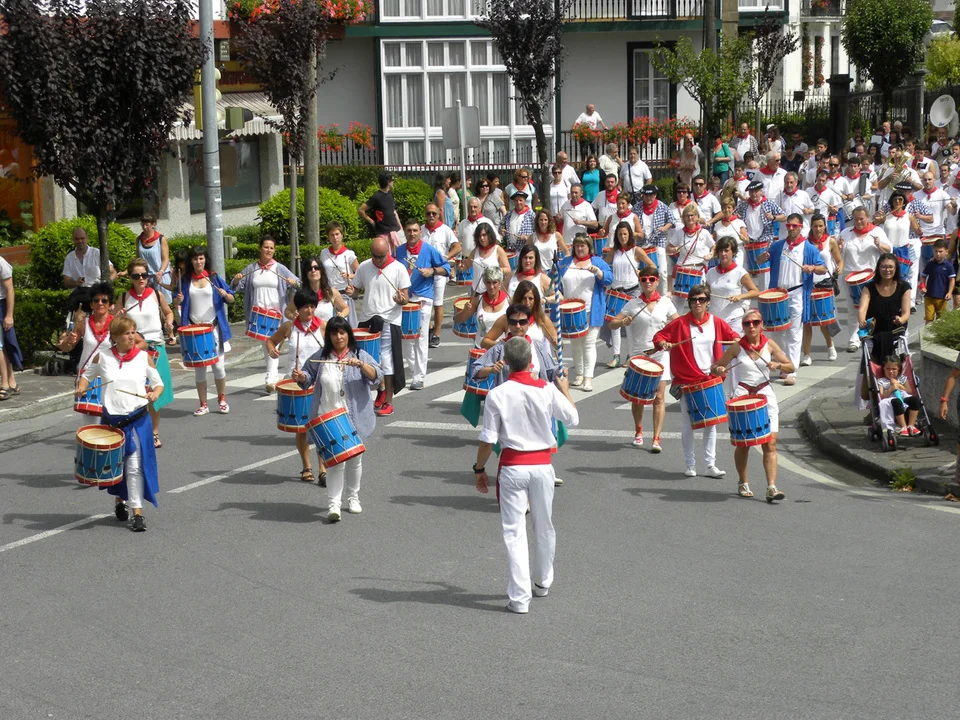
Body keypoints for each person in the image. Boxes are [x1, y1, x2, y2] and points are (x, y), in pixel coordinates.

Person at [473, 336, 579, 614]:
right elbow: (573, 418)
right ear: (531, 361)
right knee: (544, 525)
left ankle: (520, 598)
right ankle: (542, 581)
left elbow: (488, 440)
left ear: (506, 363)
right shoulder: (546, 389)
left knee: (514, 532)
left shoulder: (497, 394)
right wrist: (565, 389)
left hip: (512, 466)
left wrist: (479, 468)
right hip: (543, 466)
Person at [76, 316, 164, 532]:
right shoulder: (103, 357)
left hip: (136, 420)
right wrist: (82, 387)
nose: (132, 337)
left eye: (133, 332)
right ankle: (120, 500)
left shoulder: (143, 357)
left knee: (134, 467)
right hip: (112, 422)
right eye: (127, 333)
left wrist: (154, 394)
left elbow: (158, 384)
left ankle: (137, 513)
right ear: (115, 337)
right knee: (117, 466)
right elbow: (87, 375)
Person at [293, 317, 382, 522]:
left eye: (342, 332)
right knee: (333, 463)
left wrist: (361, 365)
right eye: (334, 333)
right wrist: (301, 377)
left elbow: (377, 376)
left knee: (355, 460)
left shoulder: (360, 354)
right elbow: (307, 376)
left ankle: (353, 497)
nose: (338, 337)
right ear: (329, 336)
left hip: (353, 417)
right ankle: (334, 505)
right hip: (328, 415)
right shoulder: (321, 356)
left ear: (348, 334)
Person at [653, 284, 738, 478]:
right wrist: (663, 343)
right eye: (693, 300)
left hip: (710, 379)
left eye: (701, 299)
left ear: (708, 302)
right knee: (688, 424)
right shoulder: (680, 323)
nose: (697, 303)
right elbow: (659, 336)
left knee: (711, 424)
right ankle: (690, 464)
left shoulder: (717, 323)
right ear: (689, 303)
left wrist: (736, 340)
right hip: (687, 380)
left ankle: (710, 465)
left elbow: (733, 337)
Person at [711, 308, 793, 502]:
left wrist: (778, 366)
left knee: (770, 443)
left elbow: (790, 366)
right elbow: (716, 367)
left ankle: (771, 487)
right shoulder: (737, 347)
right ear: (743, 327)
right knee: (744, 444)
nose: (751, 326)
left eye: (755, 322)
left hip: (765, 395)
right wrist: (719, 369)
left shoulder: (770, 345)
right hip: (743, 395)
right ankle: (743, 481)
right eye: (747, 323)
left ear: (762, 325)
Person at [609, 265, 679, 451]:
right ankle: (639, 430)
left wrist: (670, 341)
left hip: (660, 353)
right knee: (637, 397)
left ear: (657, 281)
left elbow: (678, 324)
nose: (648, 282)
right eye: (644, 279)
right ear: (640, 282)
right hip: (639, 355)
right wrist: (622, 321)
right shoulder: (632, 304)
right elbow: (612, 324)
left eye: (651, 279)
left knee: (659, 397)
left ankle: (656, 438)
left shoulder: (665, 303)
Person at [759, 214, 827, 385]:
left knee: (794, 333)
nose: (791, 229)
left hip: (797, 293)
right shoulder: (778, 246)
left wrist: (812, 267)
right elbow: (759, 261)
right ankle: (784, 364)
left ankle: (792, 370)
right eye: (788, 226)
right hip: (778, 294)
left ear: (800, 227)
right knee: (777, 332)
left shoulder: (808, 248)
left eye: (794, 226)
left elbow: (823, 268)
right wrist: (763, 257)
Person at [268, 288, 326, 484]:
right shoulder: (289, 327)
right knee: (301, 428)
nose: (309, 310)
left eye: (312, 306)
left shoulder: (323, 327)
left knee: (319, 426)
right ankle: (306, 466)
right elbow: (271, 341)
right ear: (298, 309)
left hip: (318, 382)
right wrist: (272, 350)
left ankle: (323, 468)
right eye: (305, 307)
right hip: (295, 384)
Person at [117, 258, 176, 447]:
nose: (141, 279)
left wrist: (169, 323)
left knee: (154, 393)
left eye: (144, 275)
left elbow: (168, 312)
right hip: (134, 349)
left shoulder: (157, 295)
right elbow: (115, 323)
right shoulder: (124, 298)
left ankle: (154, 433)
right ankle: (133, 432)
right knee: (135, 391)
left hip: (155, 347)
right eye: (136, 276)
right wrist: (119, 315)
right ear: (130, 277)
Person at [351, 236, 410, 417]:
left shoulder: (399, 268)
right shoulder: (364, 267)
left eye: (381, 256)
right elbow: (355, 291)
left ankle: (389, 401)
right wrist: (351, 292)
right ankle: (377, 391)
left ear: (388, 252)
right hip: (367, 318)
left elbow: (405, 297)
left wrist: (401, 299)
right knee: (365, 360)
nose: (377, 260)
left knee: (387, 361)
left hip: (389, 320)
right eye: (375, 256)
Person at [231, 236, 299, 391]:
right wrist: (236, 280)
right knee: (266, 345)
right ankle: (272, 377)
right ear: (260, 248)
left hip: (277, 314)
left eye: (271, 248)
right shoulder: (251, 269)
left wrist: (293, 283)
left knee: (272, 343)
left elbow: (298, 283)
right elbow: (237, 287)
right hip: (258, 313)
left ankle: (270, 378)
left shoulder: (280, 268)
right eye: (266, 247)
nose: (268, 250)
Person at [179, 246, 235, 415]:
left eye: (201, 258)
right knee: (199, 370)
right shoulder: (185, 280)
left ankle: (222, 399)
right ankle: (203, 404)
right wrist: (178, 299)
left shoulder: (214, 278)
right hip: (194, 330)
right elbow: (177, 300)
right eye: (195, 258)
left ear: (205, 260)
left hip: (214, 329)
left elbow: (231, 298)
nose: (198, 261)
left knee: (219, 368)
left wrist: (225, 294)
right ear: (191, 261)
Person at [396, 218, 451, 389]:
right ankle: (414, 370)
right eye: (409, 231)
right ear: (405, 232)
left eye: (415, 230)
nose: (412, 234)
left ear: (420, 232)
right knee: (406, 340)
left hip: (423, 299)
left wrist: (432, 270)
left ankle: (419, 376)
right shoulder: (399, 251)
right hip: (405, 300)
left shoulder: (429, 250)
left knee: (420, 338)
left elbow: (447, 268)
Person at [560, 233, 613, 391]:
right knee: (576, 345)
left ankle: (588, 378)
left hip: (591, 309)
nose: (579, 248)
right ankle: (579, 375)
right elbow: (553, 279)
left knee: (589, 344)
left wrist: (598, 272)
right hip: (571, 312)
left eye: (582, 245)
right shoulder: (566, 262)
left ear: (589, 247)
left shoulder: (597, 262)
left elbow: (609, 278)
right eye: (577, 246)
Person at [601, 221, 656, 367]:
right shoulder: (614, 251)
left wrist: (641, 272)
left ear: (630, 235)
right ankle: (616, 356)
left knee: (631, 325)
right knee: (616, 324)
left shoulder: (636, 250)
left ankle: (630, 355)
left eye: (625, 234)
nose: (622, 237)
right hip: (616, 290)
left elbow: (652, 266)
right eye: (620, 234)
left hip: (633, 290)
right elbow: (604, 266)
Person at [61, 227, 117, 370]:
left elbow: (113, 272)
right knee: (74, 321)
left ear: (87, 238)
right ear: (73, 240)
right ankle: (73, 348)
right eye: (77, 239)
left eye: (82, 238)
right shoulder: (70, 257)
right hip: (79, 293)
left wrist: (104, 286)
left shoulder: (97, 253)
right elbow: (66, 281)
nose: (80, 241)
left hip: (96, 293)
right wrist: (75, 282)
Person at [840, 207, 892, 352]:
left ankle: (874, 336)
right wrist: (839, 248)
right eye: (856, 219)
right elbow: (838, 255)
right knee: (853, 309)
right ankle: (854, 340)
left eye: (861, 219)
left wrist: (879, 245)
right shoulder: (845, 233)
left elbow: (889, 250)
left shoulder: (877, 231)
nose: (858, 222)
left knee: (874, 307)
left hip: (871, 276)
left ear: (867, 218)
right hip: (850, 276)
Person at [472, 304, 559, 387]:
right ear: (508, 324)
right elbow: (476, 370)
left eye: (522, 322)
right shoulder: (500, 348)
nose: (517, 326)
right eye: (513, 322)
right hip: (509, 395)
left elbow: (551, 371)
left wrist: (560, 371)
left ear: (528, 323)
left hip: (535, 394)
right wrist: (491, 370)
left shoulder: (537, 346)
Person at [57, 281, 115, 395]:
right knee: (85, 407)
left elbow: (138, 343)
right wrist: (66, 342)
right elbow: (67, 347)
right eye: (96, 300)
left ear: (110, 305)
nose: (100, 303)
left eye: (104, 301)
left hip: (109, 374)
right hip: (86, 375)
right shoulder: (84, 323)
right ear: (91, 304)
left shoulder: (116, 324)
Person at [802, 214, 843, 364]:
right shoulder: (805, 243)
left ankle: (830, 346)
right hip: (809, 283)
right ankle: (806, 355)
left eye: (820, 226)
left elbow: (839, 260)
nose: (818, 229)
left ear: (825, 226)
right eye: (815, 226)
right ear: (811, 227)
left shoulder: (830, 241)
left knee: (824, 320)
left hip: (825, 283)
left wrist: (839, 268)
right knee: (806, 321)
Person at [420, 203, 461, 348]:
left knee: (437, 304)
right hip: (423, 273)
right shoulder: (420, 230)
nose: (431, 216)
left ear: (438, 214)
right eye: (428, 213)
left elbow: (457, 247)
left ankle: (436, 334)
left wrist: (446, 257)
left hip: (438, 273)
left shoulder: (445, 230)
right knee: (423, 303)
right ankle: (428, 328)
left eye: (434, 213)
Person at [858, 253, 911, 362]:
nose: (887, 270)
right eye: (884, 267)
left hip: (895, 329)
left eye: (891, 267)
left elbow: (906, 312)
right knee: (868, 363)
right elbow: (862, 309)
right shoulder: (869, 287)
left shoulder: (904, 287)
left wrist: (901, 319)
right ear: (878, 268)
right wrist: (862, 321)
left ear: (896, 268)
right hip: (874, 329)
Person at [736, 180, 786, 292]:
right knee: (745, 273)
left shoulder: (769, 203)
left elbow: (784, 216)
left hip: (765, 242)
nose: (753, 194)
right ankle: (746, 299)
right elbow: (734, 216)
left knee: (765, 275)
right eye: (751, 192)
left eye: (756, 191)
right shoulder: (744, 205)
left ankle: (764, 297)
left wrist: (774, 217)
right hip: (749, 242)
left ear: (761, 191)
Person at [705, 236, 759, 336]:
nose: (723, 254)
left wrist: (740, 296)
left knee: (734, 345)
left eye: (726, 251)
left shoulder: (740, 272)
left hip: (734, 319)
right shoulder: (711, 272)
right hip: (715, 319)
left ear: (733, 252)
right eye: (721, 251)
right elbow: (706, 294)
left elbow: (755, 292)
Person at [480, 279, 558, 349]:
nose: (527, 302)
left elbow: (558, 346)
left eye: (530, 299)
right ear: (518, 299)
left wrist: (556, 343)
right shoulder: (506, 319)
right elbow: (484, 342)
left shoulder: (542, 319)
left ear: (536, 300)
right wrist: (503, 345)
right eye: (524, 298)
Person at [455, 265, 510, 349]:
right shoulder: (478, 299)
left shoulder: (508, 301)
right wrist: (465, 311)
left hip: (502, 349)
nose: (491, 286)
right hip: (480, 348)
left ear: (500, 282)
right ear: (484, 282)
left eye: (494, 282)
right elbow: (457, 319)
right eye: (488, 282)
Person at [634, 184, 675, 295]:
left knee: (662, 272)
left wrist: (665, 228)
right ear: (643, 195)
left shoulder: (662, 206)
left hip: (658, 243)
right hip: (641, 244)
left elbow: (672, 220)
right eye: (646, 195)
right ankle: (643, 296)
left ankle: (663, 296)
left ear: (655, 195)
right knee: (642, 274)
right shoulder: (637, 208)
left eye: (651, 195)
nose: (648, 198)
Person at [668, 204, 716, 298]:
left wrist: (710, 254)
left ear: (697, 217)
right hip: (682, 269)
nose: (690, 218)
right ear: (684, 218)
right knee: (677, 302)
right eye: (687, 215)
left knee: (699, 300)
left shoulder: (704, 233)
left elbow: (714, 246)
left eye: (692, 215)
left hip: (699, 269)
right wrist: (673, 249)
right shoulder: (679, 233)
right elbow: (668, 247)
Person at [319, 221, 359, 325]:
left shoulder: (349, 254)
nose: (335, 237)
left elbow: (360, 273)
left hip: (344, 295)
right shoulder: (324, 253)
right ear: (328, 237)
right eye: (332, 235)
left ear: (342, 235)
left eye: (337, 234)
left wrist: (349, 276)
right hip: (329, 295)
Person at [877, 354, 922, 437]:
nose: (891, 371)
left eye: (894, 369)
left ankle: (911, 425)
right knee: (897, 402)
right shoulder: (881, 381)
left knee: (915, 400)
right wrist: (891, 388)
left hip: (903, 396)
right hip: (890, 399)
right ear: (884, 369)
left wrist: (899, 385)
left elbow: (910, 391)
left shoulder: (902, 378)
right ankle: (903, 426)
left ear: (899, 370)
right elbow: (881, 396)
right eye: (888, 369)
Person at [358, 171, 403, 254]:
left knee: (399, 254)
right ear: (388, 181)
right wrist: (371, 221)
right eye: (392, 180)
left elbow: (393, 211)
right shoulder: (376, 197)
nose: (393, 182)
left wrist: (400, 226)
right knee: (385, 255)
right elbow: (361, 210)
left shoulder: (390, 194)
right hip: (383, 232)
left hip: (394, 230)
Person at [134, 212, 172, 306]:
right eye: (143, 224)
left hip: (160, 277)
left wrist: (161, 271)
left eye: (147, 225)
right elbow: (138, 259)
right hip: (146, 278)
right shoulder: (139, 240)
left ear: (153, 224)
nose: (144, 227)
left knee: (164, 305)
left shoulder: (161, 239)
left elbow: (165, 259)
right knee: (150, 304)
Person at [464, 222, 511, 296]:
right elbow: (467, 265)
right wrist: (460, 266)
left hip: (492, 292)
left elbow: (508, 269)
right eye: (479, 236)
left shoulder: (498, 250)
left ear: (490, 235)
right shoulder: (475, 250)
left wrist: (494, 270)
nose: (482, 238)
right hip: (476, 292)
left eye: (484, 235)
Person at [456, 196, 498, 273]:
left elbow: (496, 240)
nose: (472, 209)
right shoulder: (463, 223)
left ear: (480, 208)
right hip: (466, 262)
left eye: (475, 207)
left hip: (482, 262)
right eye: (470, 207)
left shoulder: (487, 222)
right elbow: (457, 242)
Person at [0, 254, 22, 400]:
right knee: (4, 345)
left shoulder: (1, 262)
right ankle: (11, 382)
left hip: (1, 306)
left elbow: (10, 290)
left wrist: (9, 315)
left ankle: (5, 384)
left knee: (1, 346)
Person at [922, 239, 956, 323]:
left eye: (940, 251)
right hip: (929, 296)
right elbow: (923, 276)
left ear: (946, 252)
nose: (937, 254)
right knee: (929, 319)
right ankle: (928, 332)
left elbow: (952, 280)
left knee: (940, 320)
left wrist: (949, 292)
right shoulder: (930, 264)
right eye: (936, 251)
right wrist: (922, 286)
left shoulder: (948, 266)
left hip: (942, 297)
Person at [776, 172, 815, 238]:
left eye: (791, 182)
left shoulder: (803, 194)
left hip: (802, 233)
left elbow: (813, 209)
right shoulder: (779, 197)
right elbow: (775, 215)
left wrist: (808, 211)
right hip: (785, 234)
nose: (789, 185)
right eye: (787, 182)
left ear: (796, 182)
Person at [532, 210, 568, 275]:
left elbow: (567, 252)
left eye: (545, 220)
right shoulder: (532, 237)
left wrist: (563, 265)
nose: (543, 222)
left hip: (553, 273)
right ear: (537, 221)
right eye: (541, 220)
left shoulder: (556, 235)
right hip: (538, 273)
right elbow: (526, 254)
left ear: (549, 221)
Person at [547, 164, 570, 231]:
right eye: (555, 172)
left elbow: (570, 199)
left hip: (563, 215)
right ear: (552, 174)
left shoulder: (566, 183)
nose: (557, 174)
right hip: (552, 215)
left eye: (559, 172)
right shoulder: (549, 184)